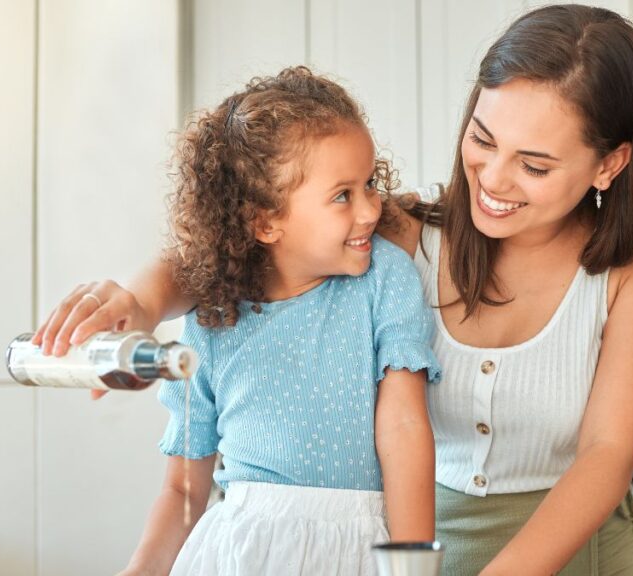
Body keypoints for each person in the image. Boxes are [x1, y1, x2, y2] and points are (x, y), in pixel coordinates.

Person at [37, 5, 633, 575]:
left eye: (534, 164)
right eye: (482, 139)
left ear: (609, 163)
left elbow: (606, 456)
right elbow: (246, 244)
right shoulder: (403, 231)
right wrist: (140, 301)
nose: (492, 180)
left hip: (574, 550)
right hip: (426, 546)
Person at [35, 66, 441, 575]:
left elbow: (404, 427)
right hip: (237, 555)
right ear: (265, 221)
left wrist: (412, 566)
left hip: (356, 550)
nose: (370, 210)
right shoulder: (213, 320)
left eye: (368, 185)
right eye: (343, 195)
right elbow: (184, 487)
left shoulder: (385, 280)